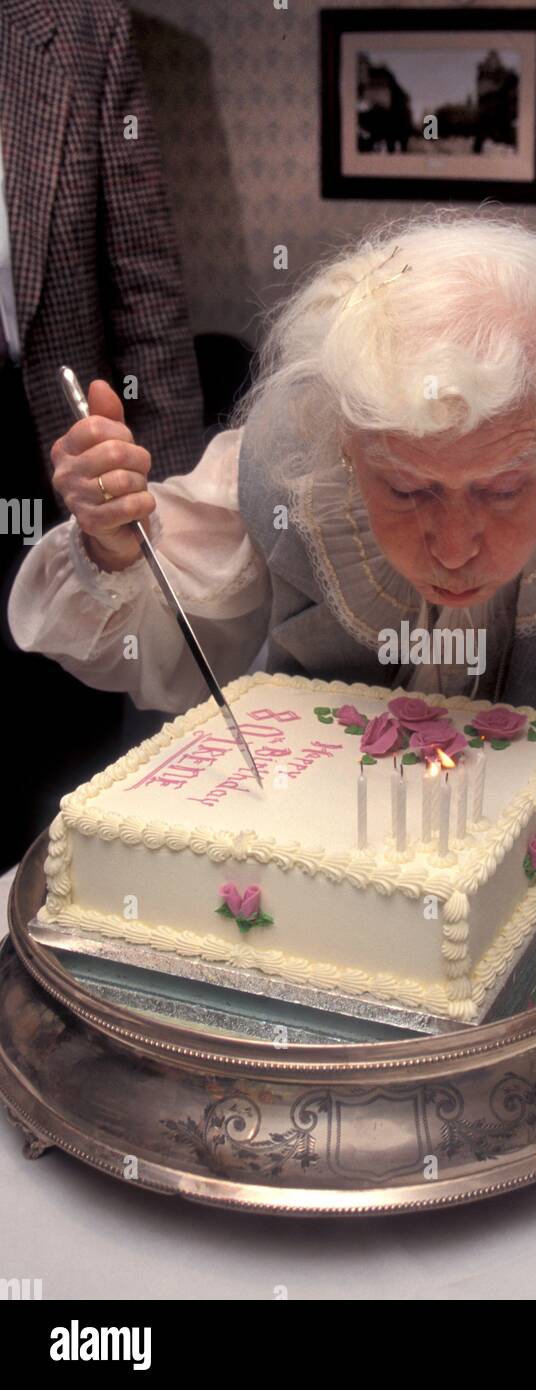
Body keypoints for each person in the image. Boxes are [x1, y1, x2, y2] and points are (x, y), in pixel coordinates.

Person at [9, 213, 536, 968]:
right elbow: (156, 635)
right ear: (348, 442)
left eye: (503, 490)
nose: (452, 546)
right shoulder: (295, 456)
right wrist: (115, 549)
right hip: (312, 919)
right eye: (406, 490)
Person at [0, 0, 204, 868]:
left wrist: (179, 529)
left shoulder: (77, 24)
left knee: (57, 736)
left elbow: (144, 280)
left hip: (41, 432)